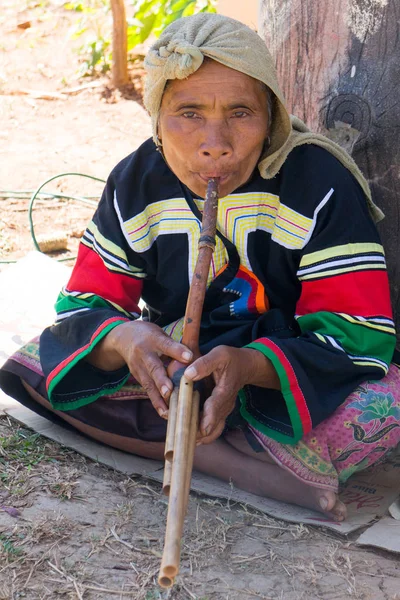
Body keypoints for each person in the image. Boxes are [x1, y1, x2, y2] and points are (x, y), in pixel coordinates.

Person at [1, 13, 399, 522]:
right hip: (178, 359)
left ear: (272, 119)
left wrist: (251, 366)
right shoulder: (136, 183)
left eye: (241, 113)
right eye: (188, 113)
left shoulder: (318, 185)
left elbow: (359, 334)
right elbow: (85, 305)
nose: (216, 142)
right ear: (157, 121)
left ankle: (206, 441)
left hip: (281, 371)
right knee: (39, 367)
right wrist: (127, 340)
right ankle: (237, 465)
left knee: (384, 404)